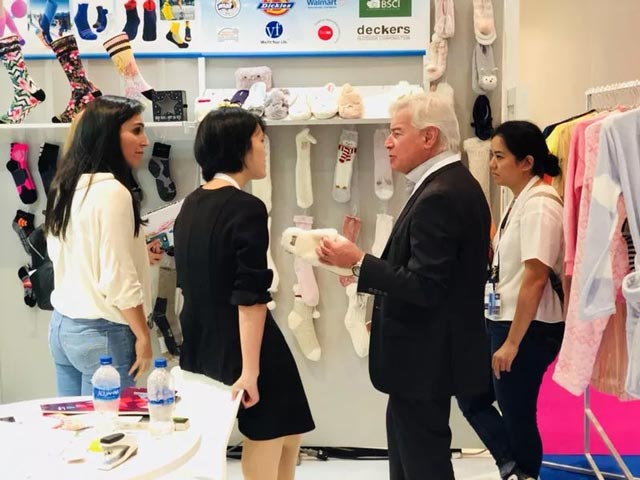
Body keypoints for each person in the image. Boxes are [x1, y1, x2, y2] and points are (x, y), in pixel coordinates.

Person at [318, 92, 491, 480]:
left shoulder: (441, 194)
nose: (387, 143)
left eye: (397, 133)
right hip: (421, 360)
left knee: (422, 466)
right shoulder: (445, 185)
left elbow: (427, 286)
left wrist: (359, 261)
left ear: (429, 137)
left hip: (424, 362)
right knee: (409, 462)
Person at [173, 108, 314, 480]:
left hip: (204, 340)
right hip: (246, 342)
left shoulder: (191, 204)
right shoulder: (246, 208)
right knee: (271, 430)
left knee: (289, 425)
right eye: (260, 140)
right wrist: (250, 370)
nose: (265, 149)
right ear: (239, 147)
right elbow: (250, 294)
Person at [46, 95, 160, 396]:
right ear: (108, 135)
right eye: (136, 130)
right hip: (104, 333)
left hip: (63, 328)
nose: (145, 141)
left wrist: (137, 254)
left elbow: (68, 254)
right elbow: (117, 278)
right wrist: (143, 335)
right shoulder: (113, 192)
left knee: (74, 423)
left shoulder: (65, 187)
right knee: (110, 424)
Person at [481, 120, 565, 479]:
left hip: (529, 327)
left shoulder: (540, 205)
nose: (492, 164)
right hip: (504, 318)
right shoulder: (521, 200)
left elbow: (536, 276)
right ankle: (512, 466)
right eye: (491, 155)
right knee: (473, 396)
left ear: (526, 162)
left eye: (500, 156)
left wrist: (513, 342)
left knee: (517, 412)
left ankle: (523, 472)